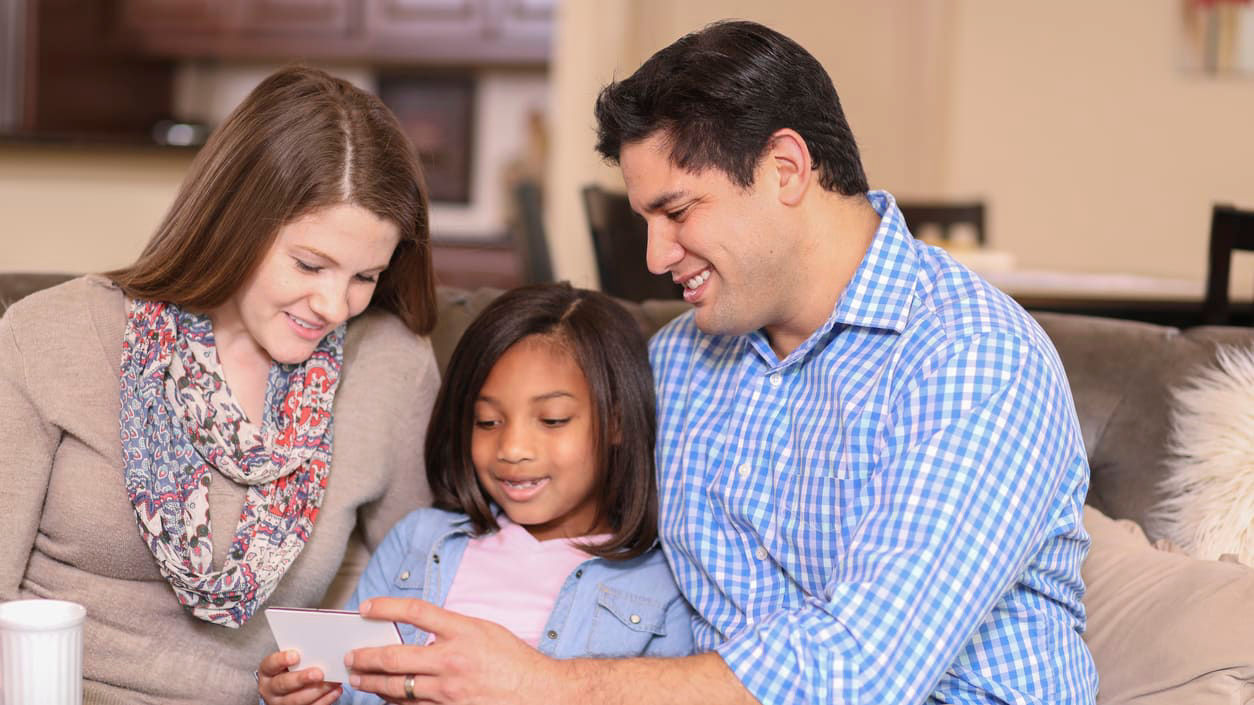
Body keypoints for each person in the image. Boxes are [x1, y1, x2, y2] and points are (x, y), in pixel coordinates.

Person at [340, 19, 1100, 705]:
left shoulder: (972, 361)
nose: (654, 255)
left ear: (786, 169)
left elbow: (860, 673)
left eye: (676, 212)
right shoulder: (678, 363)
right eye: (644, 220)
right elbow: (550, 508)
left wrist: (545, 684)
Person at [0, 66, 440, 705]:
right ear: (234, 220)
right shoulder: (51, 333)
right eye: (309, 264)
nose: (335, 306)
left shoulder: (390, 365)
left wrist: (331, 683)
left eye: (364, 277)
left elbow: (412, 592)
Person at [257, 283, 695, 705]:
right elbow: (349, 680)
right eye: (487, 422)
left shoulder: (665, 581)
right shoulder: (419, 539)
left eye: (554, 420)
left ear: (617, 421)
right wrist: (301, 694)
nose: (512, 450)